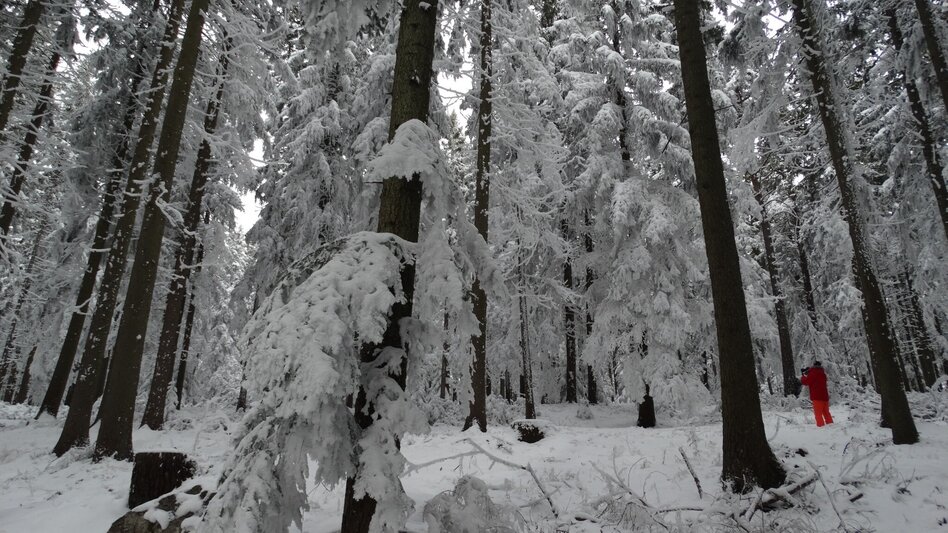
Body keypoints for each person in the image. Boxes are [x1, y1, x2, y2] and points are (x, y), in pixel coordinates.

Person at [801, 361, 833, 427]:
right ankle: (831, 426)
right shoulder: (823, 373)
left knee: (818, 414)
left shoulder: (813, 373)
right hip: (825, 397)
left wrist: (803, 376)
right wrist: (809, 372)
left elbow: (805, 382)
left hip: (817, 397)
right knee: (826, 413)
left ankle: (821, 428)